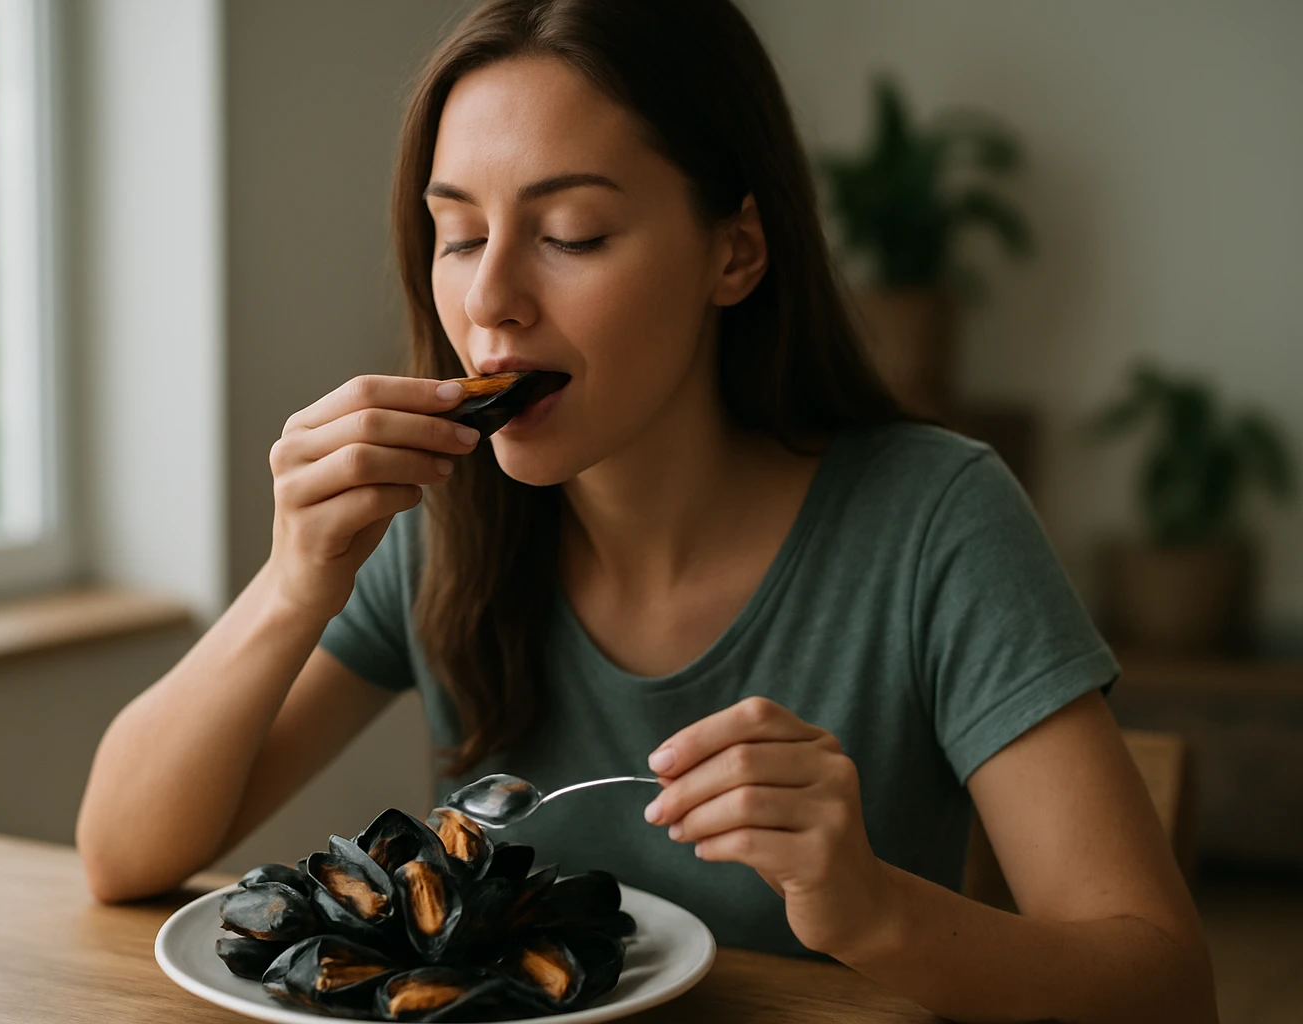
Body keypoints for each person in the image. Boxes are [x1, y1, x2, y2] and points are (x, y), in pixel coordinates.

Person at [77, 1, 1217, 1019]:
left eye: (571, 234)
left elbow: (1166, 987)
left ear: (736, 250)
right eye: (460, 233)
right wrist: (292, 584)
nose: (490, 299)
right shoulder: (441, 518)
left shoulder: (936, 520)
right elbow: (119, 852)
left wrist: (870, 907)